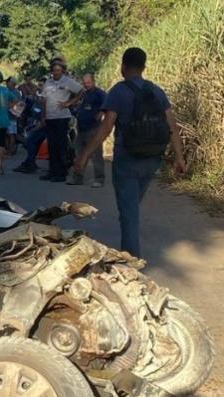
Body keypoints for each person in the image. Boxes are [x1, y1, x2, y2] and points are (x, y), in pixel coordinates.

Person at [73, 47, 186, 257]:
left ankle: (131, 261)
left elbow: (106, 127)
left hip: (127, 159)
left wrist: (84, 155)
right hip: (152, 159)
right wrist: (179, 157)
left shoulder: (118, 91)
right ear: (143, 67)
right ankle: (129, 238)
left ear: (123, 66)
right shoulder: (156, 91)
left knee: (129, 213)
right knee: (131, 205)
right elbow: (172, 125)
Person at [40, 57, 83, 182]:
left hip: (62, 117)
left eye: (58, 70)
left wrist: (69, 103)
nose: (56, 72)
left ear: (62, 71)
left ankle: (61, 173)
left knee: (61, 146)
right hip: (50, 117)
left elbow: (81, 91)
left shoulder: (68, 81)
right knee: (51, 146)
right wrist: (43, 116)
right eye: (54, 70)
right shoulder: (48, 82)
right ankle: (52, 171)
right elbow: (44, 100)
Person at [68, 73, 107, 187]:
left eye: (88, 83)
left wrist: (101, 113)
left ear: (93, 82)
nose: (87, 85)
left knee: (96, 155)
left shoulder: (99, 93)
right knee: (79, 154)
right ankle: (78, 177)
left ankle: (99, 178)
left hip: (93, 129)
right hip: (81, 129)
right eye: (85, 83)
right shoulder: (84, 94)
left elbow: (108, 104)